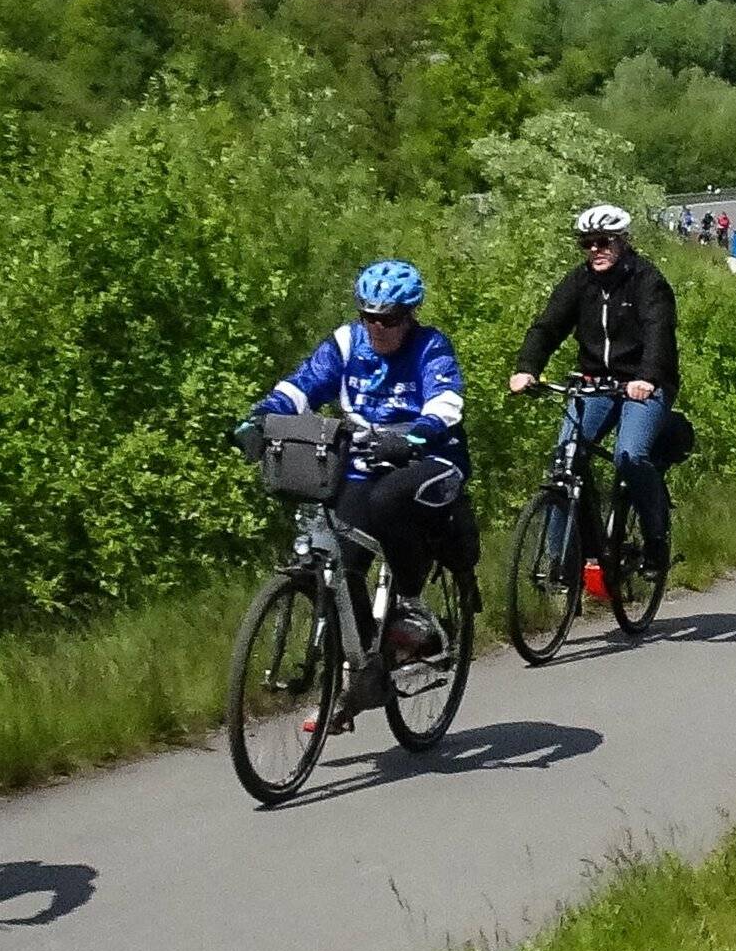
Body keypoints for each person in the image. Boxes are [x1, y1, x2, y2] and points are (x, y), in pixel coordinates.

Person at [241, 259, 477, 733]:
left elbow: (447, 402)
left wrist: (413, 436)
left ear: (408, 316)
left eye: (388, 318)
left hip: (428, 459)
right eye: (369, 316)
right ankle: (363, 675)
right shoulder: (348, 343)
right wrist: (261, 418)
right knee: (339, 558)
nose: (377, 327)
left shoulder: (431, 346)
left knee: (389, 501)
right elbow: (302, 385)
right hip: (363, 461)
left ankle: (410, 603)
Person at [511, 204, 680, 572]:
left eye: (603, 242)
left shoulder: (648, 281)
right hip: (595, 385)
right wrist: (527, 368)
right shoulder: (579, 282)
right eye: (587, 244)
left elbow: (658, 334)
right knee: (565, 460)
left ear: (622, 243)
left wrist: (647, 378)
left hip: (643, 385)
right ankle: (563, 561)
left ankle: (656, 538)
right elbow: (548, 327)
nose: (595, 250)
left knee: (630, 456)